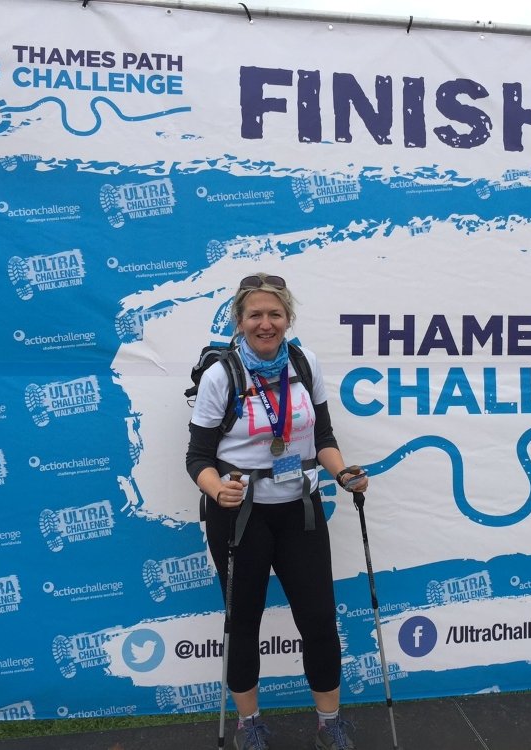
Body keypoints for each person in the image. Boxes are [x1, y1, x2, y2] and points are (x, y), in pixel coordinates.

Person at [186, 272, 368, 750]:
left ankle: (329, 723)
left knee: (320, 619)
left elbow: (323, 438)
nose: (265, 324)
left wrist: (343, 473)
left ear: (288, 317)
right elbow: (198, 456)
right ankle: (250, 725)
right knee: (243, 620)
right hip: (240, 514)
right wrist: (214, 487)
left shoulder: (305, 365)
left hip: (299, 510)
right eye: (255, 315)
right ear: (239, 320)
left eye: (274, 314)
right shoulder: (221, 375)